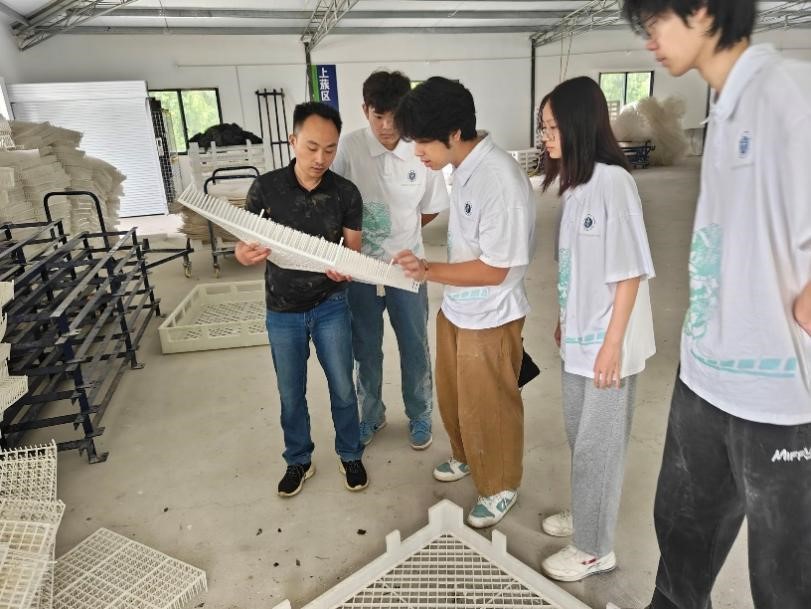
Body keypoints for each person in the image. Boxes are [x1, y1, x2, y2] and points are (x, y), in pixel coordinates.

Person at [620, 1, 811, 607]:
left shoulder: (788, 92)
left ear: (702, 11)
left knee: (785, 582)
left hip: (782, 399)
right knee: (680, 547)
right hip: (703, 380)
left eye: (654, 21)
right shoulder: (726, 110)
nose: (649, 41)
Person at [393, 77, 536, 528]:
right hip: (458, 307)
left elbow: (497, 269)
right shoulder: (464, 169)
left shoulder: (499, 179)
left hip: (490, 316)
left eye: (423, 141)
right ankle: (466, 455)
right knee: (456, 397)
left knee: (490, 405)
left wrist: (428, 270)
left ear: (455, 133)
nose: (417, 152)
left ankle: (500, 484)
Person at [537, 78, 656, 582]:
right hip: (581, 339)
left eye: (553, 127)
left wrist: (612, 345)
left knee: (599, 448)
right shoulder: (575, 186)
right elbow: (576, 268)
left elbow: (630, 273)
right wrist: (564, 318)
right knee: (580, 437)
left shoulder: (614, 183)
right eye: (544, 128)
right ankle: (588, 513)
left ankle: (594, 548)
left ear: (580, 125)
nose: (546, 137)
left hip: (610, 345)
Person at [236, 102, 369, 498]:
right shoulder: (265, 189)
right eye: (311, 147)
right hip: (282, 309)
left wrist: (346, 267)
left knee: (342, 388)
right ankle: (298, 460)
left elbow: (354, 251)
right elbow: (243, 246)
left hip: (331, 305)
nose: (320, 158)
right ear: (293, 141)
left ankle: (350, 453)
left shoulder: (345, 193)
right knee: (291, 393)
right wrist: (243, 254)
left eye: (329, 149)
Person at [331, 70, 449, 449]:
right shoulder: (349, 148)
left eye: (394, 116)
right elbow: (331, 201)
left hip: (407, 270)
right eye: (377, 115)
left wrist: (403, 235)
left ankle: (420, 413)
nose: (386, 125)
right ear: (364, 110)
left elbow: (430, 207)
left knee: (415, 345)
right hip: (361, 270)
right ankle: (372, 414)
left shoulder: (420, 148)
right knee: (365, 348)